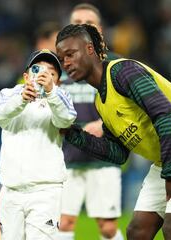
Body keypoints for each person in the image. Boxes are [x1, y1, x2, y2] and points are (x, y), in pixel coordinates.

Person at [55, 24, 171, 240]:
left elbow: (164, 113)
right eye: (62, 59)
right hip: (168, 157)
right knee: (137, 231)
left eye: (71, 54)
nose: (66, 63)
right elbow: (118, 153)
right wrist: (72, 134)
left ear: (90, 49)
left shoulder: (123, 71)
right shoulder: (101, 101)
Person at [0, 49, 77, 240]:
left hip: (45, 191)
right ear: (26, 76)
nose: (44, 75)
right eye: (38, 69)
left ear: (57, 81)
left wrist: (52, 93)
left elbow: (66, 119)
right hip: (11, 191)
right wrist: (22, 99)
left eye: (51, 73)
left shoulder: (61, 98)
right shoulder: (9, 94)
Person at [57, 3, 124, 240]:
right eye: (76, 23)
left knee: (107, 227)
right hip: (67, 158)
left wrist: (103, 125)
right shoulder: (56, 67)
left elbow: (129, 110)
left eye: (89, 23)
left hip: (103, 156)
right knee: (63, 223)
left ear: (100, 30)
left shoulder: (115, 65)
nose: (82, 27)